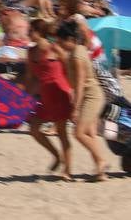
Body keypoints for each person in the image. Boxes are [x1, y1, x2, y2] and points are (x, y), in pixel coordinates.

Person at [55, 20, 109, 180]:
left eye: (62, 41)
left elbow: (79, 84)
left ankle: (101, 160)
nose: (60, 44)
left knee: (78, 133)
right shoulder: (79, 50)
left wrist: (76, 108)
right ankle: (101, 172)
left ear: (70, 39)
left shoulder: (77, 55)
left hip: (91, 96)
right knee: (90, 133)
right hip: (90, 94)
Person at [25, 18, 73, 178]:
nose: (28, 33)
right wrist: (25, 96)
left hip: (59, 92)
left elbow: (69, 67)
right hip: (45, 95)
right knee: (33, 129)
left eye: (31, 31)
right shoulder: (30, 52)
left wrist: (71, 89)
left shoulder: (54, 48)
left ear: (39, 32)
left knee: (62, 133)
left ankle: (67, 170)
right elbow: (31, 77)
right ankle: (56, 155)